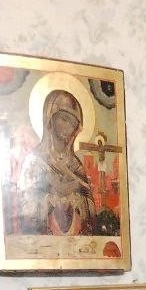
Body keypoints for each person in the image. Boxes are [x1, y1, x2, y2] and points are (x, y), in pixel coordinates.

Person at [20, 89, 97, 236]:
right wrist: (53, 200)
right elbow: (27, 209)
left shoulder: (76, 165)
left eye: (73, 123)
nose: (68, 127)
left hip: (76, 240)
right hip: (44, 241)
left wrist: (75, 202)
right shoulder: (35, 162)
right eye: (64, 119)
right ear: (50, 118)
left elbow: (91, 209)